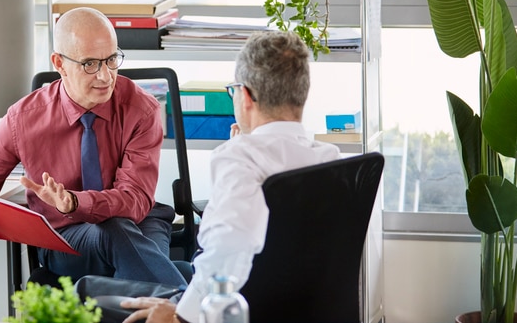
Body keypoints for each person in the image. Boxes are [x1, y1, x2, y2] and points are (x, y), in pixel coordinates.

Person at [77, 30, 341, 323]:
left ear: (246, 96)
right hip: (295, 306)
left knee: (86, 291)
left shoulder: (240, 158)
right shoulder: (331, 161)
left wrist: (180, 315)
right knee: (177, 269)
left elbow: (227, 253)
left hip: (229, 308)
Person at [0, 6, 188, 287]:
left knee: (127, 247)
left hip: (140, 220)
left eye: (111, 59)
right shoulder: (23, 118)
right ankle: (187, 297)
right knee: (125, 244)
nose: (106, 76)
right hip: (66, 236)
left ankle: (170, 296)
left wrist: (75, 201)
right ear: (59, 63)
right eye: (90, 64)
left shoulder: (141, 108)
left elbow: (133, 200)